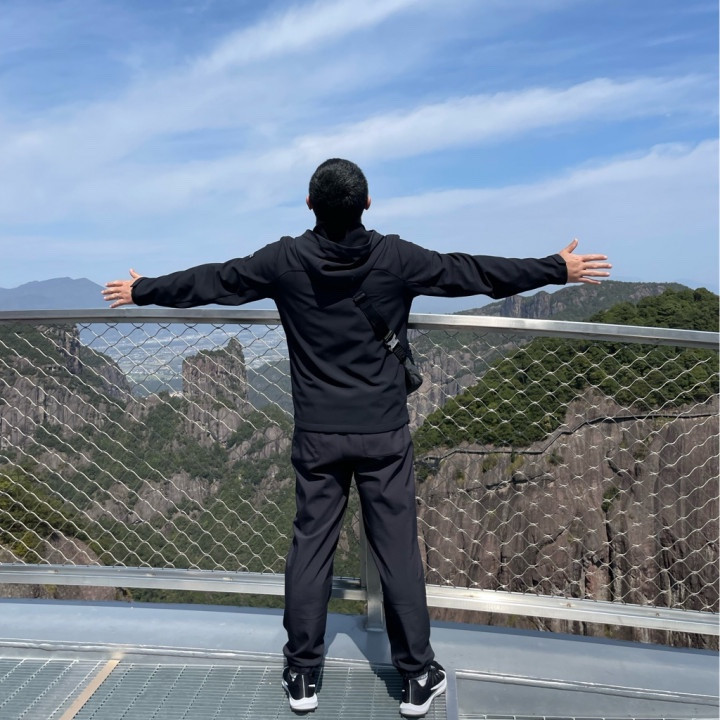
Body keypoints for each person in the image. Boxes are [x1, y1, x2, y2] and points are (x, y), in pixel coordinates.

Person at [104, 158, 611, 717]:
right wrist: (556, 268)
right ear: (367, 204)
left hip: (318, 433)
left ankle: (302, 673)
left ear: (309, 204)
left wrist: (142, 289)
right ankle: (416, 676)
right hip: (383, 435)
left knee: (311, 547)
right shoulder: (396, 258)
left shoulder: (284, 260)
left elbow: (217, 280)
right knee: (396, 550)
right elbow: (471, 272)